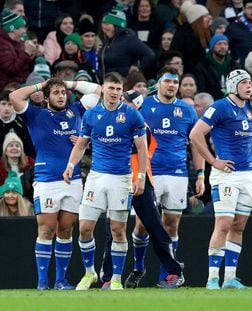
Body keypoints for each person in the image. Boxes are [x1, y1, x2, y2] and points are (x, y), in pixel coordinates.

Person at [9, 77, 101, 290]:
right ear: (47, 97)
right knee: (47, 229)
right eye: (56, 93)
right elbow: (14, 96)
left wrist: (67, 84)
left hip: (73, 180)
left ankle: (61, 280)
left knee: (66, 229)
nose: (60, 96)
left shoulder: (76, 111)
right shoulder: (35, 114)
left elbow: (97, 91)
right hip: (46, 179)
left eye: (62, 93)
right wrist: (43, 85)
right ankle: (42, 282)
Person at [62, 72, 148, 291]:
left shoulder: (132, 115)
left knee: (118, 230)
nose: (115, 93)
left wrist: (140, 176)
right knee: (84, 228)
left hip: (121, 178)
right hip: (96, 177)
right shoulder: (91, 115)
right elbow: (81, 144)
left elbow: (141, 148)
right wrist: (71, 165)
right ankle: (90, 273)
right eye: (111, 88)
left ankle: (116, 278)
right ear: (103, 89)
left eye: (119, 89)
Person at [99, 89, 184, 290]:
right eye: (121, 99)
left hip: (139, 181)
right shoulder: (115, 120)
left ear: (136, 106)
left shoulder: (140, 126)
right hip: (117, 180)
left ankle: (174, 272)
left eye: (126, 101)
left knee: (154, 226)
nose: (121, 102)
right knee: (112, 230)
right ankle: (109, 278)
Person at [189, 69, 252, 289]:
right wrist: (214, 162)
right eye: (244, 83)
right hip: (227, 175)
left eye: (250, 83)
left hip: (248, 175)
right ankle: (212, 277)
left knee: (239, 226)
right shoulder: (220, 107)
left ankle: (230, 278)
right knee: (223, 224)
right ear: (233, 86)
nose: (249, 87)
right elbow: (195, 134)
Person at [137, 66, 205, 283]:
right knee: (142, 224)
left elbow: (196, 145)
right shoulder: (143, 105)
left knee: (172, 223)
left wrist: (201, 174)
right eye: (168, 81)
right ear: (158, 83)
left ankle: (169, 275)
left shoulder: (187, 111)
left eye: (175, 82)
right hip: (149, 172)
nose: (172, 85)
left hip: (177, 173)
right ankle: (138, 268)